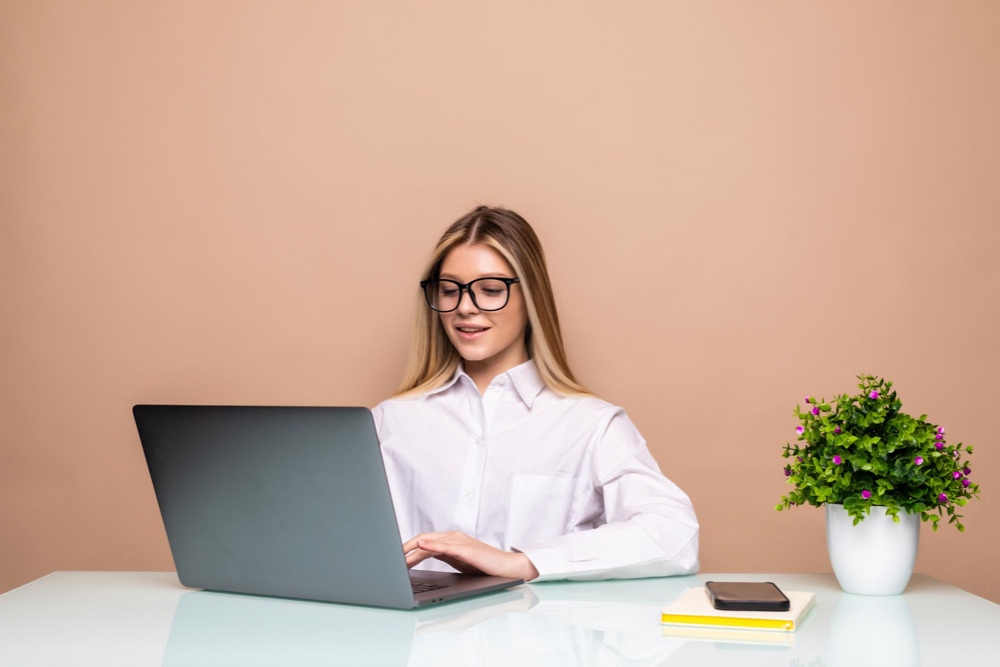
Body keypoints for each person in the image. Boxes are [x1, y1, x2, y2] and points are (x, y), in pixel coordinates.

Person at [371, 205, 699, 582]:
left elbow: (675, 535)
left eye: (490, 290)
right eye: (449, 290)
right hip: (408, 639)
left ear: (532, 296)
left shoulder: (591, 425)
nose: (464, 307)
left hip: (539, 635)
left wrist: (522, 562)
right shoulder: (389, 421)